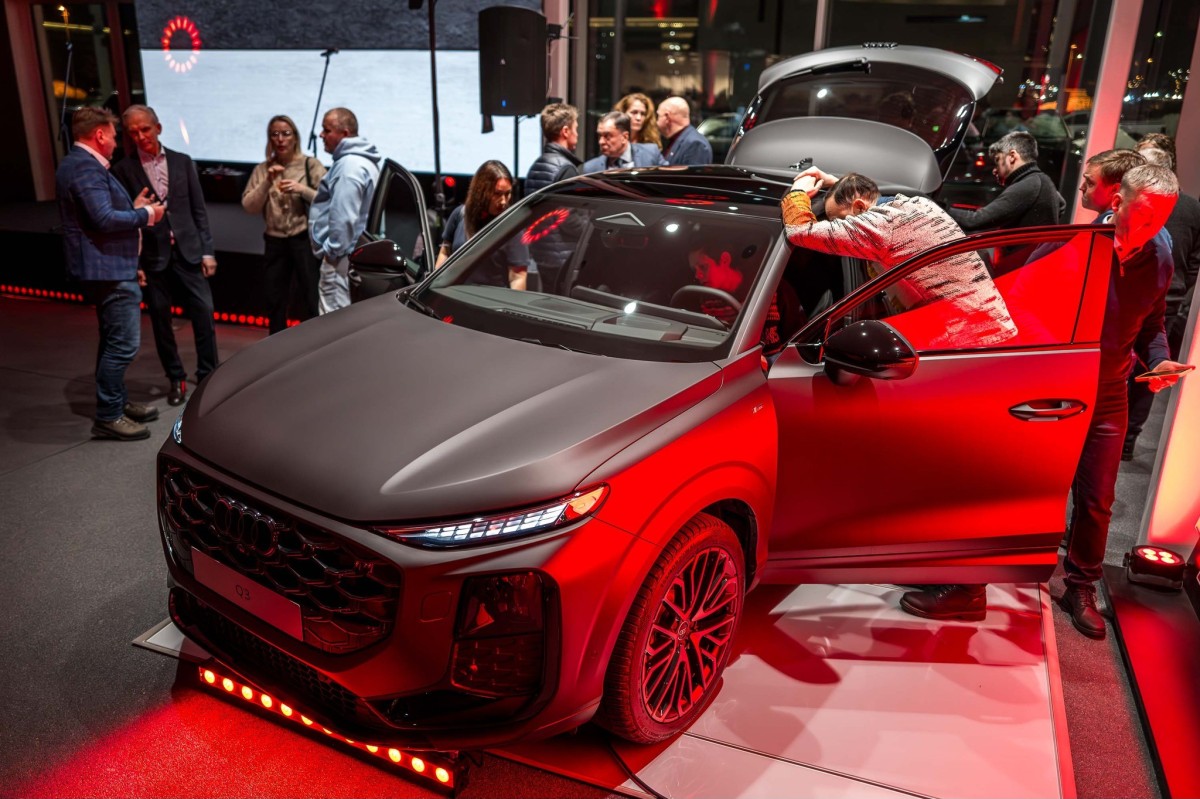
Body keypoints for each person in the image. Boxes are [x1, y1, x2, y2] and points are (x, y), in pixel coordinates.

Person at [782, 168, 1016, 349]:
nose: (841, 229)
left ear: (860, 206)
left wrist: (798, 191)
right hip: (994, 327)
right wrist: (839, 184)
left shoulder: (880, 225)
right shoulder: (916, 204)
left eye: (840, 222)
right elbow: (861, 197)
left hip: (969, 341)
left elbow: (800, 232)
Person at [56, 106, 164, 440]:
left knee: (112, 341)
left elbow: (99, 215)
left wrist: (132, 208)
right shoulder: (84, 167)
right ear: (100, 134)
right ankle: (109, 415)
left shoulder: (80, 164)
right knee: (123, 345)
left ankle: (115, 402)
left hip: (111, 267)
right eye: (115, 136)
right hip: (109, 270)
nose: (117, 143)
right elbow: (102, 219)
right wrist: (147, 214)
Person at [112, 104, 218, 407]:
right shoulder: (123, 170)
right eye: (133, 132)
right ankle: (175, 377)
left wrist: (207, 251)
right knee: (161, 320)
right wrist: (135, 263)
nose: (140, 136)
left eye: (145, 129)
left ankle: (209, 374)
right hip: (153, 256)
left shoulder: (182, 162)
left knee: (204, 312)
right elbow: (126, 218)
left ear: (158, 128)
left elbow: (198, 210)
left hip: (189, 250)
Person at [1122, 141, 1200, 459]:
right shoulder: (1191, 207)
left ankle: (1126, 437)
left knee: (1143, 373)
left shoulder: (1162, 225)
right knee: (1140, 374)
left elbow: (1193, 258)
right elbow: (1194, 261)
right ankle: (1127, 438)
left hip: (1162, 296)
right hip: (1170, 295)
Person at [241, 114, 326, 334]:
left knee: (311, 296)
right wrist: (267, 182)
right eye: (275, 134)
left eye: (286, 134)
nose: (280, 139)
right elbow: (249, 206)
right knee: (274, 299)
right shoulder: (263, 169)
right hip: (275, 241)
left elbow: (329, 200)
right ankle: (277, 344)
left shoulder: (310, 165)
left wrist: (302, 190)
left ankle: (315, 341)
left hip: (303, 239)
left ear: (295, 137)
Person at [308, 107, 382, 314]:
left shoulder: (349, 166)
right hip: (352, 258)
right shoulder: (363, 162)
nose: (321, 135)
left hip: (340, 261)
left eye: (327, 130)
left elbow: (343, 217)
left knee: (332, 324)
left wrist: (331, 253)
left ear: (345, 134)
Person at [947, 131, 1065, 233]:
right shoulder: (1040, 179)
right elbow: (1061, 205)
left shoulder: (1027, 185)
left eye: (997, 160)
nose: (994, 170)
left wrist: (942, 210)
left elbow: (974, 220)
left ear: (1012, 156)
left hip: (1025, 253)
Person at [435, 160, 528, 290]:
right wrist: (435, 287)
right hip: (455, 297)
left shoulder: (512, 227)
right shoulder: (460, 214)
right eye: (497, 193)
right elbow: (445, 253)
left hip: (489, 301)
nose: (503, 201)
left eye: (507, 194)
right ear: (480, 191)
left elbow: (518, 277)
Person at [580, 112, 667, 174]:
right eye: (600, 136)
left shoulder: (651, 153)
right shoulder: (590, 168)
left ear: (625, 137)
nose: (601, 142)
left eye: (607, 136)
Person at [524, 103, 581, 194]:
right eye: (575, 129)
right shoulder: (566, 169)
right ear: (565, 131)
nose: (577, 134)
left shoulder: (535, 166)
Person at [656, 96, 713, 167]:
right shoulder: (675, 139)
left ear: (667, 117)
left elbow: (693, 174)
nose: (656, 122)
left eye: (658, 116)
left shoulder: (695, 144)